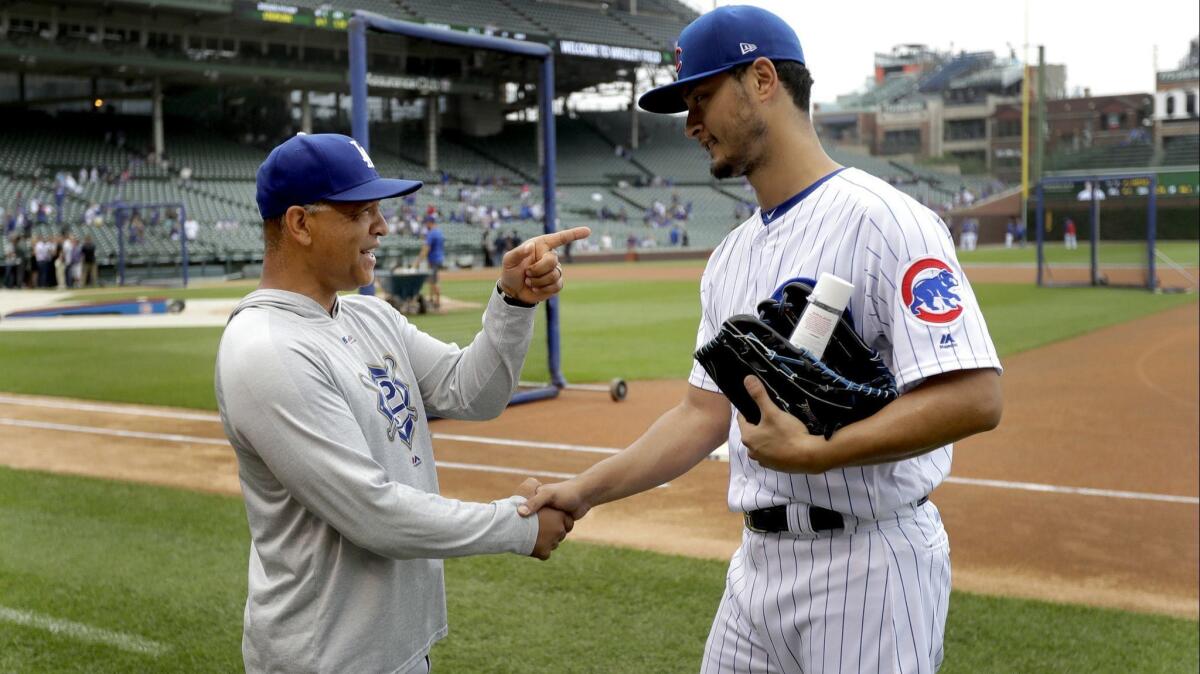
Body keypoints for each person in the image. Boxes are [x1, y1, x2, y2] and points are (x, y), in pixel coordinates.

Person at [521, 7, 1003, 673]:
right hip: (756, 568)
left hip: (868, 565)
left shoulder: (888, 222)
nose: (691, 123)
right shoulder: (731, 259)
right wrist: (582, 491)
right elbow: (701, 413)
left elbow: (976, 396)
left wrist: (821, 449)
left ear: (764, 79)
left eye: (702, 98)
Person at [214, 133, 588, 673]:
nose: (382, 228)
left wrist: (513, 301)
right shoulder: (266, 348)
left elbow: (470, 391)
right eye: (361, 212)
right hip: (324, 657)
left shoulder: (367, 316)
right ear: (299, 224)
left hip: (396, 646)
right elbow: (372, 513)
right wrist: (519, 525)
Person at [417, 220, 446, 309]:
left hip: (434, 259)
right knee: (432, 279)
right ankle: (431, 298)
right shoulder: (439, 232)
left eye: (427, 223)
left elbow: (426, 248)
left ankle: (437, 302)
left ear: (430, 223)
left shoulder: (432, 233)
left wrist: (418, 261)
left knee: (433, 281)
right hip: (438, 258)